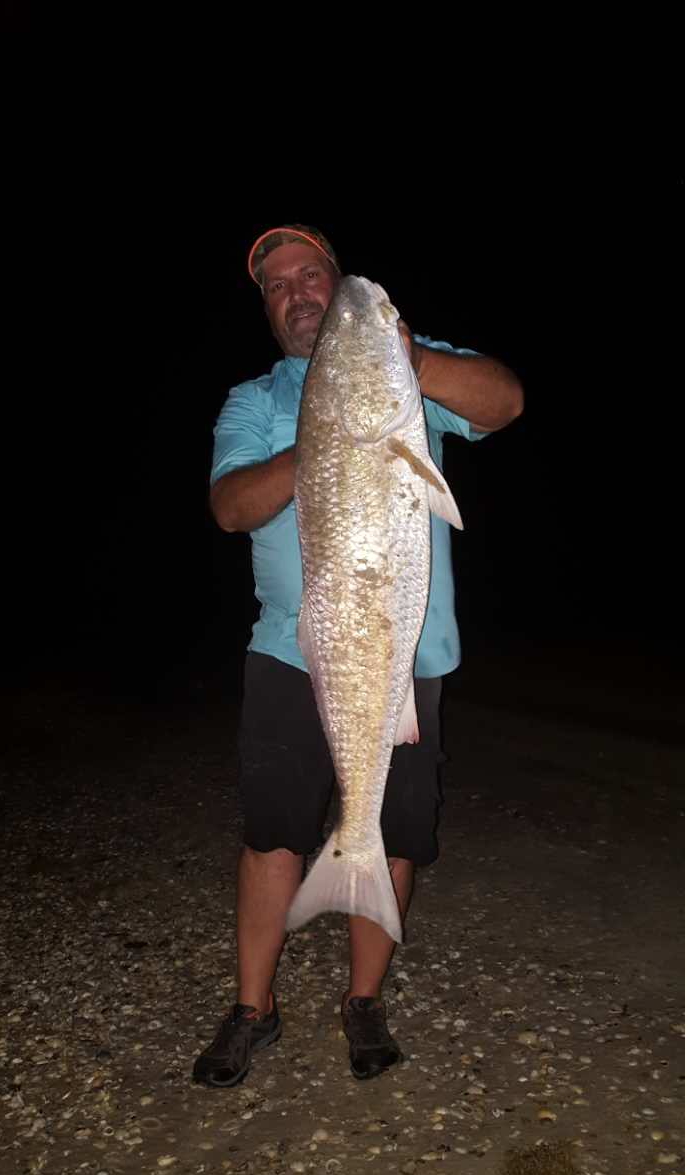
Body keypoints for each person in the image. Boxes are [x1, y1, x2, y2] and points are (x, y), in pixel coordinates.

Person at [193, 225, 523, 1088]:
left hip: (410, 651)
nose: (299, 292)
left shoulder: (405, 368)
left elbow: (503, 402)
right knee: (271, 836)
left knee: (395, 830)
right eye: (277, 285)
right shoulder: (255, 400)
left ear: (337, 284)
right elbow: (230, 506)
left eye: (313, 276)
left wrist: (399, 363)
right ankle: (252, 1009)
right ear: (267, 309)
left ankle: (363, 997)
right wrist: (328, 439)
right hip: (289, 652)